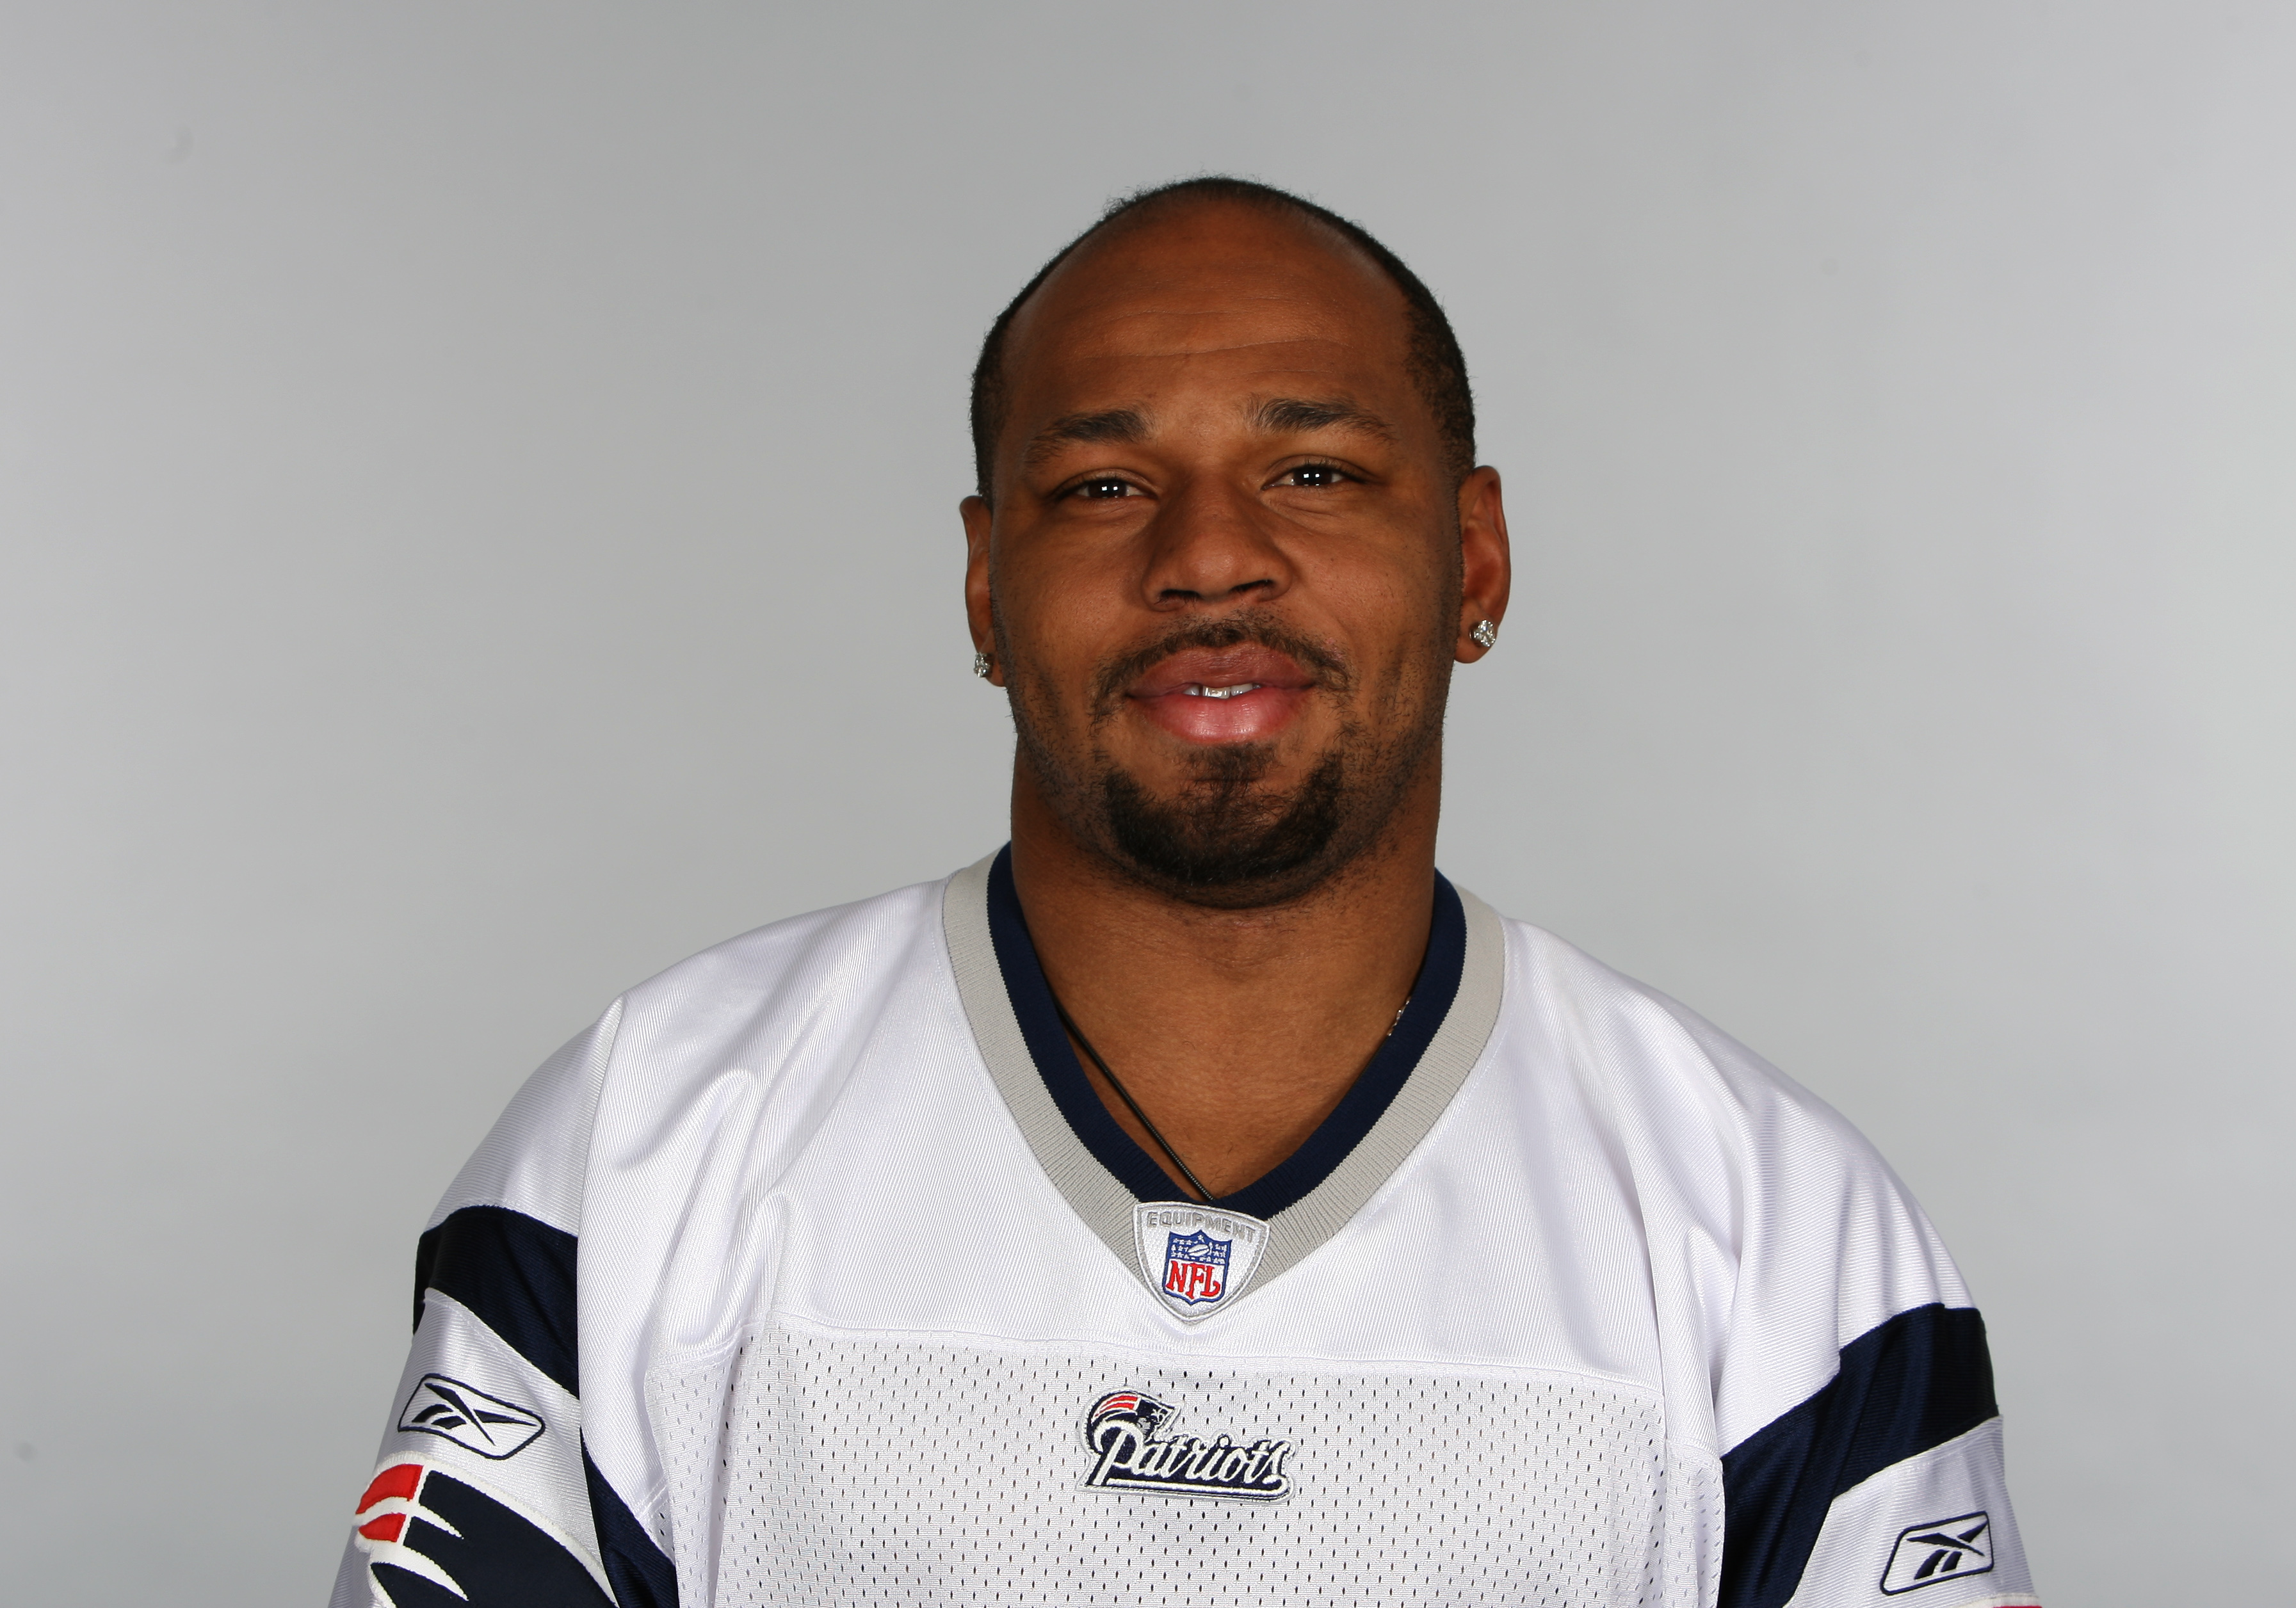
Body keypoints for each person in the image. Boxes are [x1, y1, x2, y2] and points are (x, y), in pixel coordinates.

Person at [330, 177, 2037, 1608]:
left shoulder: (1782, 1240)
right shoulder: (643, 1147)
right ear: (989, 586)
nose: (1209, 557)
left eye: (1313, 473)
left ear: (1478, 558)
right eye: (1104, 487)